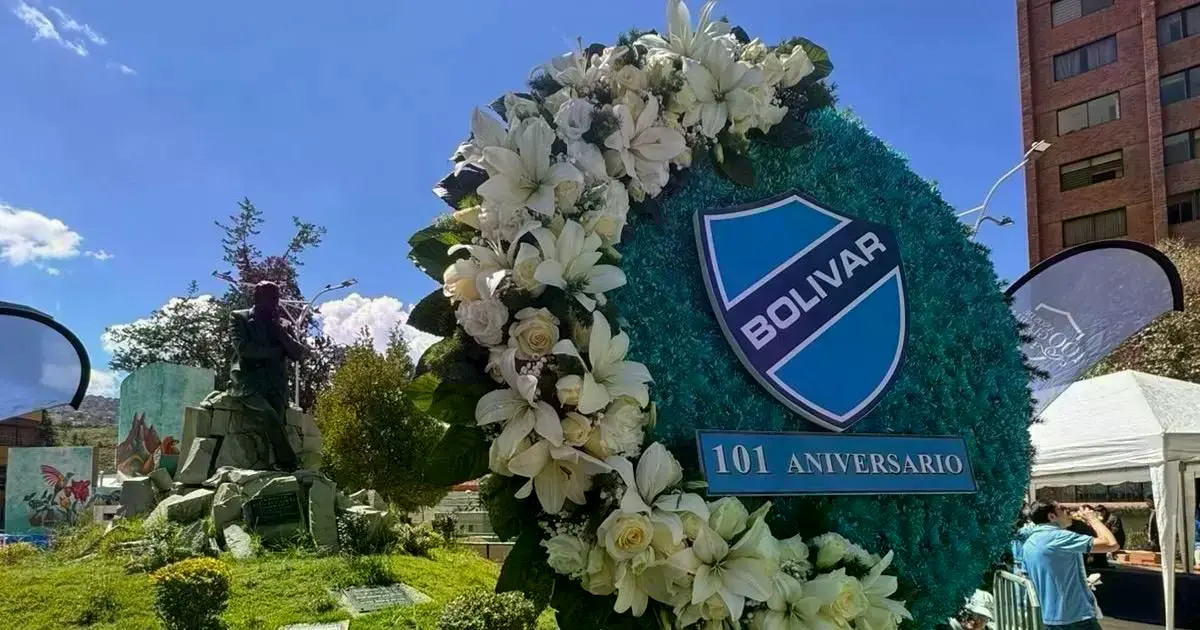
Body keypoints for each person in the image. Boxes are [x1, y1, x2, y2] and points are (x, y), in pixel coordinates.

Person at [227, 281, 308, 471]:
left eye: (276, 298)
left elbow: (297, 353)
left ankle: (274, 467)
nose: (275, 303)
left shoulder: (282, 325)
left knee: (275, 423)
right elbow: (244, 349)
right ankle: (290, 463)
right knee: (268, 414)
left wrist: (279, 331)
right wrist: (275, 352)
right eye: (271, 298)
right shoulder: (240, 318)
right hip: (249, 382)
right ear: (258, 298)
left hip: (275, 385)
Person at [1017, 501, 1119, 630]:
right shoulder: (1058, 537)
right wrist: (1093, 519)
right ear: (1052, 517)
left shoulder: (1029, 543)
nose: (1068, 512)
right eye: (1062, 509)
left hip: (1050, 617)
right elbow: (1111, 544)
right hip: (1075, 617)